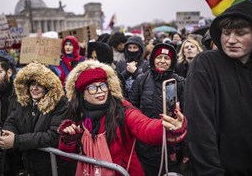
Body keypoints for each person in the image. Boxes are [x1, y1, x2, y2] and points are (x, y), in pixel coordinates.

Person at [57, 60, 187, 176]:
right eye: (92, 88)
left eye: (102, 85)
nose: (100, 91)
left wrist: (167, 126)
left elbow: (144, 126)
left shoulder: (122, 111)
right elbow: (68, 157)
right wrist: (69, 139)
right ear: (82, 94)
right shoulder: (78, 116)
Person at [184, 0, 252, 175]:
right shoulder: (205, 64)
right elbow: (199, 127)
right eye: (226, 32)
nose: (231, 40)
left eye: (241, 33)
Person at [0, 62, 71, 176]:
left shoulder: (60, 104)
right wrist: (8, 133)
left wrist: (16, 141)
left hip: (51, 167)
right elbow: (11, 120)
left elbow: (53, 136)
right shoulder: (24, 101)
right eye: (32, 84)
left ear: (48, 86)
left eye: (40, 84)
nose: (34, 88)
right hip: (28, 164)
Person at [129, 43, 188, 175]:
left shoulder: (180, 83)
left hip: (172, 147)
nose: (162, 61)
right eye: (159, 57)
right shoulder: (141, 80)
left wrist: (186, 150)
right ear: (153, 59)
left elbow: (188, 116)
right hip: (146, 147)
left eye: (166, 58)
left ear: (172, 62)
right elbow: (131, 109)